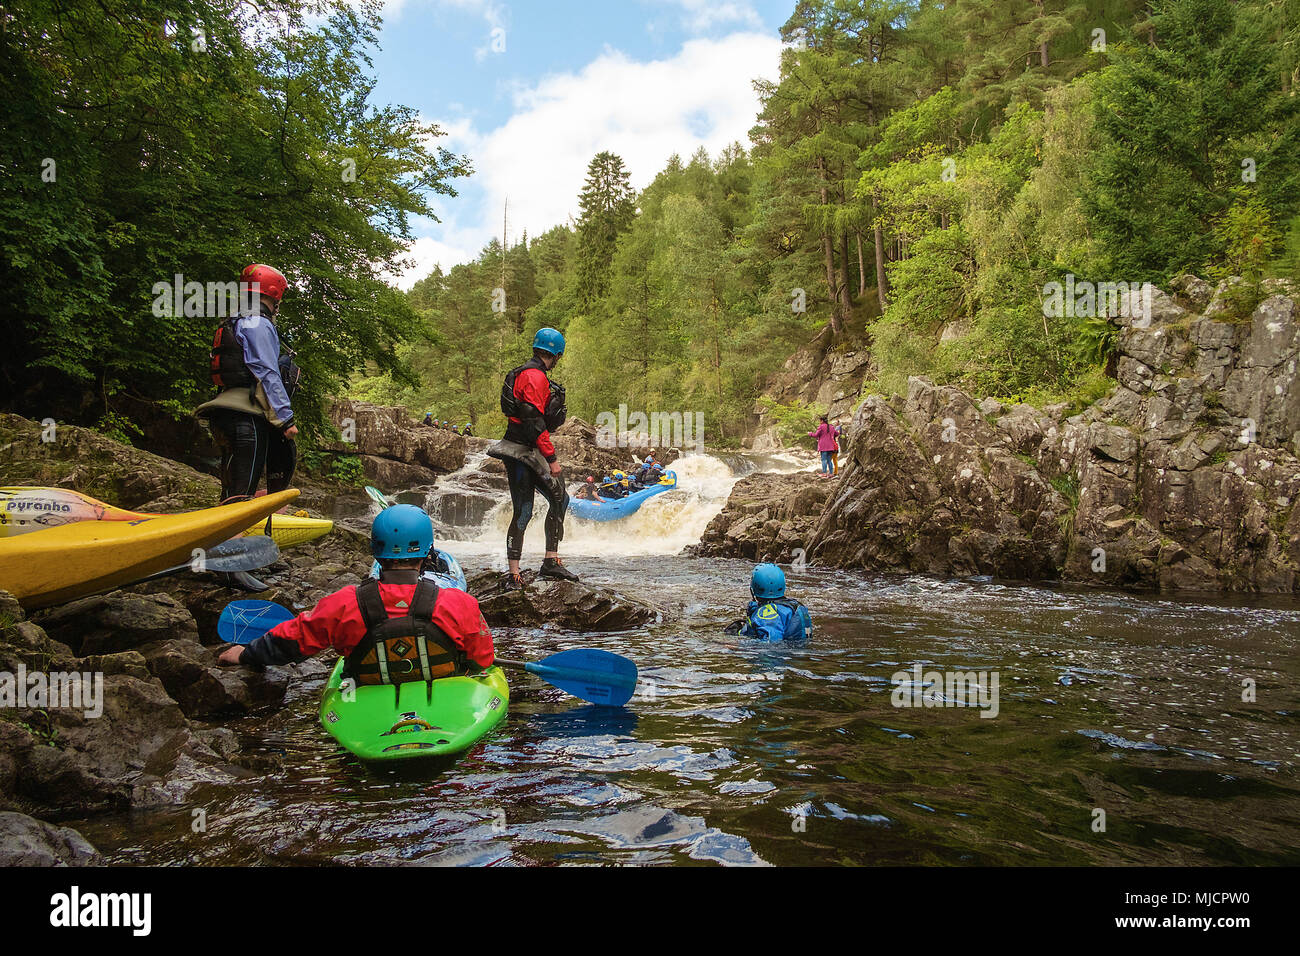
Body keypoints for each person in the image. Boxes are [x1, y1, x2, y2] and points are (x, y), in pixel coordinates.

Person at [217, 505, 495, 676]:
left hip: (369, 688)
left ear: (375, 551)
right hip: (442, 691)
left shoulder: (344, 603)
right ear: (427, 553)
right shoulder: (460, 603)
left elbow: (295, 640)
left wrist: (245, 653)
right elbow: (482, 659)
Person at [196, 263, 301, 503]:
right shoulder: (258, 323)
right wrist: (285, 419)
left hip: (223, 411)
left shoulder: (234, 320)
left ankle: (222, 529)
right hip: (246, 417)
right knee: (241, 495)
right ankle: (232, 537)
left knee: (231, 488)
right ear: (273, 294)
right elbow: (267, 372)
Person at [488, 327, 576, 589]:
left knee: (559, 499)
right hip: (522, 451)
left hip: (522, 449)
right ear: (556, 354)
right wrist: (552, 459)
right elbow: (534, 421)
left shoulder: (524, 373)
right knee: (525, 510)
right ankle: (517, 573)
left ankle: (549, 561)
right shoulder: (534, 377)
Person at [724, 563, 813, 643]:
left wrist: (738, 646)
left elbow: (771, 644)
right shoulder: (793, 606)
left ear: (755, 587)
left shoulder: (766, 613)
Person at [808, 414, 837, 479]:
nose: (819, 422)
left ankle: (824, 473)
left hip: (823, 446)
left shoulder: (821, 427)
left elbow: (816, 435)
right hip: (831, 446)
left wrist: (810, 433)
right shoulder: (831, 426)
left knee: (824, 460)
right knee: (829, 460)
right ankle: (831, 473)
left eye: (820, 420)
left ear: (821, 420)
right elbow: (837, 433)